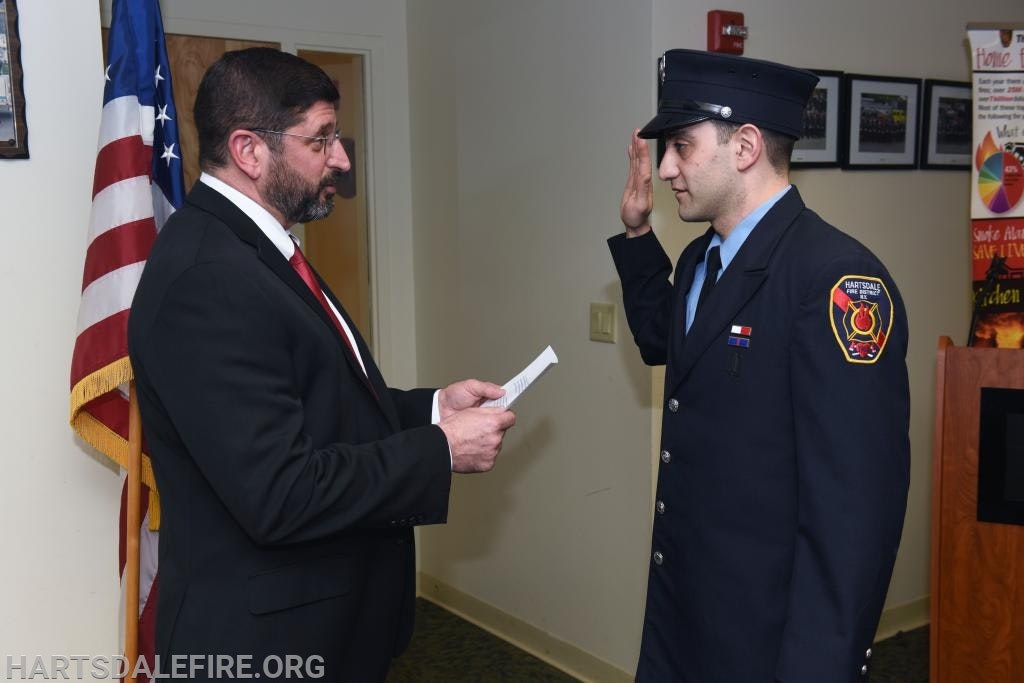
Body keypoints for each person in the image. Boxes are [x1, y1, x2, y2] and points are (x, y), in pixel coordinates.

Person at [128, 47, 516, 682]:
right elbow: (279, 492)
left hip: (321, 625)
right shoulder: (209, 279)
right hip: (260, 648)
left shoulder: (256, 248)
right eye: (322, 140)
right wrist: (437, 449)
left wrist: (432, 408)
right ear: (250, 151)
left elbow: (314, 399)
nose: (341, 158)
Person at [609, 49, 910, 683]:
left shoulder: (835, 281)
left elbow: (853, 514)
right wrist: (638, 237)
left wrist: (819, 665)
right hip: (685, 618)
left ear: (744, 146)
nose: (665, 169)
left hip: (769, 644)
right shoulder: (697, 260)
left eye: (681, 148)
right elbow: (671, 345)